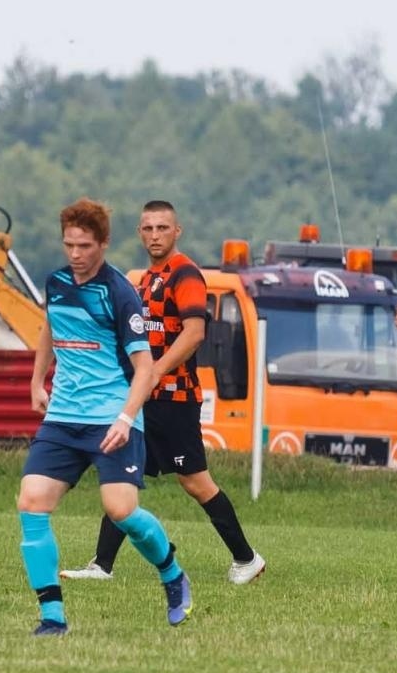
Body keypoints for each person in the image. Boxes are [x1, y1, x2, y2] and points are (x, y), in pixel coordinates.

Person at [61, 200, 265, 585]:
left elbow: (194, 333)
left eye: (162, 228)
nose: (155, 235)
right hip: (146, 398)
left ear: (177, 231)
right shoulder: (146, 278)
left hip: (175, 399)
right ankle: (102, 565)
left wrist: (155, 371)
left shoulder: (185, 274)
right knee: (122, 469)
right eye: (148, 228)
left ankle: (247, 558)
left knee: (196, 483)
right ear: (140, 233)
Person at [16, 198, 192, 636]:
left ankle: (172, 573)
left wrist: (125, 418)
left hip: (112, 416)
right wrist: (38, 380)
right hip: (63, 417)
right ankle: (52, 617)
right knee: (31, 502)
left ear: (104, 243)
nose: (75, 254)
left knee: (121, 511)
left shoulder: (119, 292)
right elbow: (50, 328)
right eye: (69, 245)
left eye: (84, 246)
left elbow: (145, 367)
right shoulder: (56, 283)